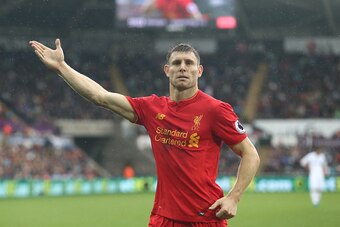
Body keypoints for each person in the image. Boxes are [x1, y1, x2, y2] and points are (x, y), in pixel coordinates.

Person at [29, 39, 260, 226]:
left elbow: (250, 154)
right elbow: (100, 96)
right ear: (166, 70)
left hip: (205, 217)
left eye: (189, 63)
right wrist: (61, 67)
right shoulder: (152, 108)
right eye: (177, 62)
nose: (182, 67)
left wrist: (234, 197)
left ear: (199, 71)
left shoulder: (216, 110)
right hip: (162, 219)